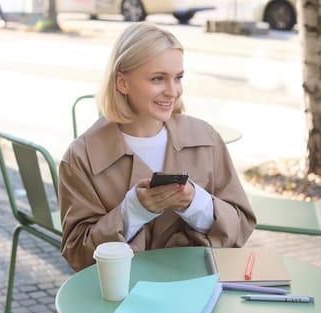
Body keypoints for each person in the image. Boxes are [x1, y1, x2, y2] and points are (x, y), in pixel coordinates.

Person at [58, 22, 257, 272]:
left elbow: (242, 227)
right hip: (122, 298)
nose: (173, 91)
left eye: (178, 77)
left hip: (196, 288)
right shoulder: (81, 157)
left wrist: (196, 203)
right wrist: (135, 210)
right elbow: (78, 254)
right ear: (122, 83)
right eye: (157, 79)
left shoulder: (206, 138)